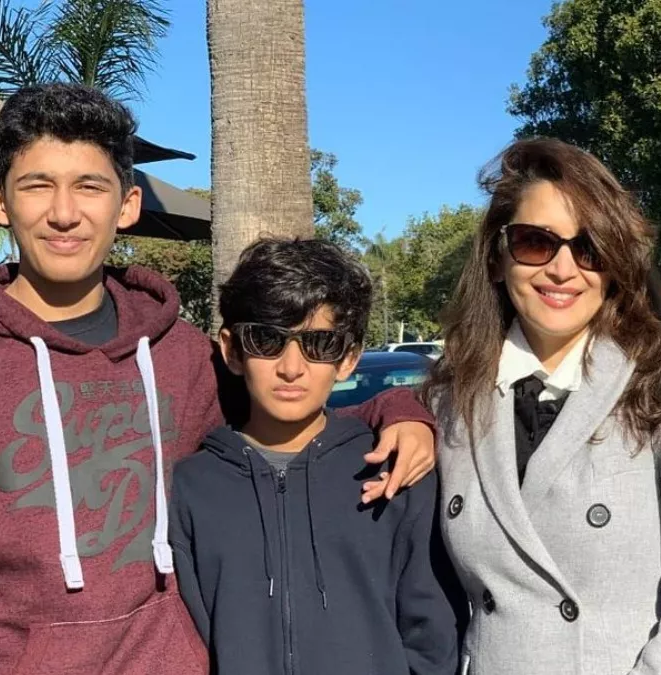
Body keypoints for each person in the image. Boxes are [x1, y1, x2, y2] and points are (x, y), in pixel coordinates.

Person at [0, 83, 436, 675]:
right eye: (37, 185)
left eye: (90, 186)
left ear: (128, 205)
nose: (64, 212)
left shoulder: (180, 355)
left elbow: (290, 406)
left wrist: (398, 410)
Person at [425, 138, 661, 675]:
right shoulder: (451, 400)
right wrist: (394, 414)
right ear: (497, 258)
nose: (563, 269)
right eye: (535, 242)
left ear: (615, 265)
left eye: (590, 247)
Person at [170, 238, 461, 674]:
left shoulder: (394, 472)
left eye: (319, 344)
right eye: (266, 340)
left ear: (348, 359)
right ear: (232, 350)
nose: (291, 367)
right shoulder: (191, 488)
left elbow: (433, 638)